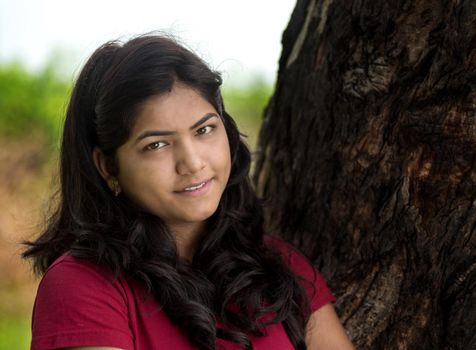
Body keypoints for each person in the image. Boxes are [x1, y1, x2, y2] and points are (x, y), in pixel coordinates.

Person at [23, 34, 355, 350]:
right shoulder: (83, 286)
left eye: (204, 129)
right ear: (108, 166)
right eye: (156, 144)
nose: (192, 163)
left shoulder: (279, 265)